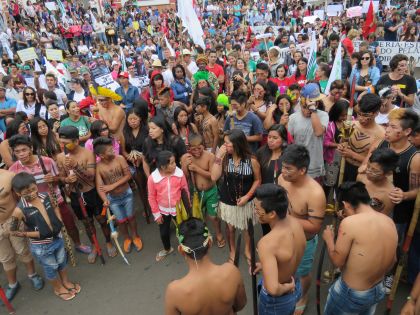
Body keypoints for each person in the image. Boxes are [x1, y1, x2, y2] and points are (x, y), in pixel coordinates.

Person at [322, 181, 398, 315]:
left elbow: (337, 262)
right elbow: (393, 261)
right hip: (376, 289)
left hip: (352, 294)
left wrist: (329, 240)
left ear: (345, 204)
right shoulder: (389, 221)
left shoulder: (349, 223)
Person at [10, 172, 80, 301]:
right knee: (50, 268)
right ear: (18, 193)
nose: (31, 193)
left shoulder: (44, 195)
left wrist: (59, 221)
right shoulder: (19, 210)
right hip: (41, 246)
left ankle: (65, 282)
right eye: (26, 192)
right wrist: (30, 234)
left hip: (57, 238)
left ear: (36, 185)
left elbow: (55, 206)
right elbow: (13, 231)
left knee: (61, 262)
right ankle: (58, 288)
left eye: (33, 189)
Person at [56, 126, 117, 263]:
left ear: (76, 141)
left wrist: (75, 166)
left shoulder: (88, 153)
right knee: (87, 223)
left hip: (91, 192)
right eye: (61, 142)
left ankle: (108, 242)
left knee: (101, 219)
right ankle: (95, 246)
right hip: (75, 195)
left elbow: (90, 176)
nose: (63, 145)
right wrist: (66, 180)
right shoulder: (60, 157)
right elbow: (60, 177)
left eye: (66, 143)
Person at [278, 144, 326, 314]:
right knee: (282, 265)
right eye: (282, 166)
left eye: (288, 168)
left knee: (302, 273)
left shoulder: (315, 193)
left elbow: (314, 227)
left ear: (302, 170)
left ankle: (303, 297)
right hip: (283, 235)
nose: (283, 171)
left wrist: (283, 217)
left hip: (303, 241)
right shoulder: (283, 179)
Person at [164, 218, 246, 315]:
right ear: (210, 243)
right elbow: (240, 304)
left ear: (181, 250)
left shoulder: (174, 291)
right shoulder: (231, 272)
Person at [253, 183, 306, 315]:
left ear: (272, 214)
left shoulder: (267, 243)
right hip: (295, 282)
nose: (256, 211)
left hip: (280, 297)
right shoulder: (296, 223)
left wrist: (289, 287)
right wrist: (265, 264)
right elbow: (288, 256)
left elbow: (273, 289)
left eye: (258, 209)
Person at [211, 129, 261, 264]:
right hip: (228, 200)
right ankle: (232, 251)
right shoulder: (224, 158)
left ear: (238, 144)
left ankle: (247, 250)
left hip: (247, 200)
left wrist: (247, 196)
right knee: (230, 228)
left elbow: (257, 180)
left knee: (247, 227)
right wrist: (218, 157)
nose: (224, 146)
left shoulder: (252, 160)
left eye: (227, 143)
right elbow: (214, 177)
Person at [0, 169, 44, 301]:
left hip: (13, 219)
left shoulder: (8, 176)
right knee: (5, 258)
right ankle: (13, 284)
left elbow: (23, 198)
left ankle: (33, 275)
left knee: (23, 250)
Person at [94, 137, 143, 253]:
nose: (113, 151)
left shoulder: (120, 158)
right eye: (110, 150)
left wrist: (112, 186)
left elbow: (128, 176)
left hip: (127, 194)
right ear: (101, 155)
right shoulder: (99, 167)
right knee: (121, 221)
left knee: (131, 217)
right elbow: (100, 187)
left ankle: (135, 236)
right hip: (113, 200)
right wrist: (104, 199)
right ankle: (127, 238)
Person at [181, 134, 224, 247]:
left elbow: (212, 176)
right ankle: (204, 234)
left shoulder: (210, 156)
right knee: (199, 216)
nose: (196, 152)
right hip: (196, 193)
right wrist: (185, 165)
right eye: (193, 149)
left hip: (211, 191)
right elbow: (185, 177)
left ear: (203, 146)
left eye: (199, 148)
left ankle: (218, 233)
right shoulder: (186, 157)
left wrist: (196, 169)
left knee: (213, 217)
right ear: (189, 148)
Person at [148, 150, 189, 262]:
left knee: (183, 230)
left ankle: (185, 248)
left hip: (179, 209)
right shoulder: (153, 178)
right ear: (163, 166)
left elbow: (185, 191)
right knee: (164, 232)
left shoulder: (179, 173)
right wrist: (156, 214)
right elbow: (151, 197)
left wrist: (187, 207)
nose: (175, 164)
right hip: (163, 210)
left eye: (175, 162)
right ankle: (167, 249)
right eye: (171, 163)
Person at [339, 94, 384, 182]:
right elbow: (342, 143)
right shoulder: (350, 124)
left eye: (366, 115)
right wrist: (341, 146)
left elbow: (372, 161)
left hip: (362, 172)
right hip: (343, 167)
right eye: (359, 114)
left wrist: (352, 154)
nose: (361, 118)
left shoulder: (381, 134)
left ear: (376, 113)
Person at [288, 83, 329, 181]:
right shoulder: (293, 118)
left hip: (315, 163)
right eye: (304, 107)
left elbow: (318, 132)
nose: (307, 110)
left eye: (309, 106)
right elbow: (289, 141)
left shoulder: (323, 115)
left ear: (317, 104)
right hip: (298, 163)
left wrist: (313, 111)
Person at [356, 148, 398, 217]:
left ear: (388, 173)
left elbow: (381, 219)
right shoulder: (361, 177)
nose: (368, 172)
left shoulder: (389, 195)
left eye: (375, 171)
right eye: (368, 166)